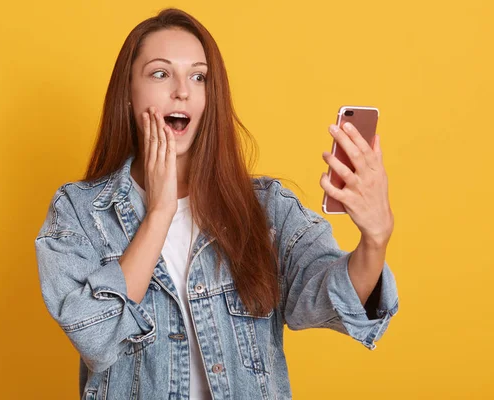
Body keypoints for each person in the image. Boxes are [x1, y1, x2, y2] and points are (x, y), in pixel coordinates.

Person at [34, 7, 399, 400]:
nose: (182, 90)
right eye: (160, 73)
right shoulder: (80, 211)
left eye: (198, 76)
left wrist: (375, 240)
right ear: (127, 93)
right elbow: (94, 335)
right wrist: (159, 214)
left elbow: (328, 296)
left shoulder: (264, 208)